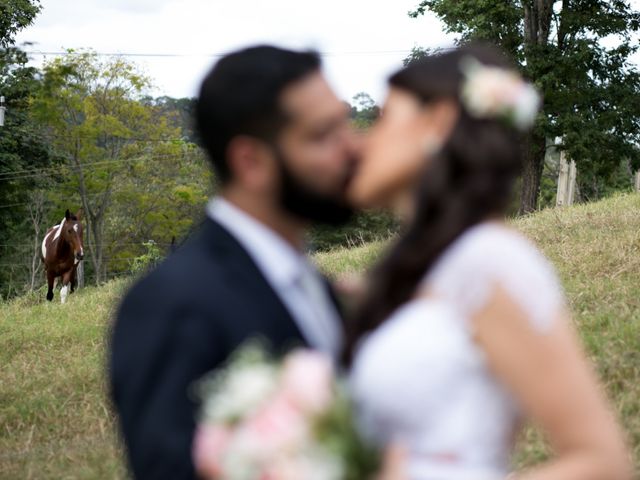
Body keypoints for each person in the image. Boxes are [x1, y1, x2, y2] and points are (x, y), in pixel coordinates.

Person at [346, 44, 632, 479]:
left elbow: (603, 462)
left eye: (384, 119)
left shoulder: (490, 261)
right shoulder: (424, 267)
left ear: (437, 122)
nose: (365, 140)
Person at [109, 45, 358, 479]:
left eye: (345, 125)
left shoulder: (313, 284)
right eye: (323, 135)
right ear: (252, 162)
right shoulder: (171, 303)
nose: (352, 150)